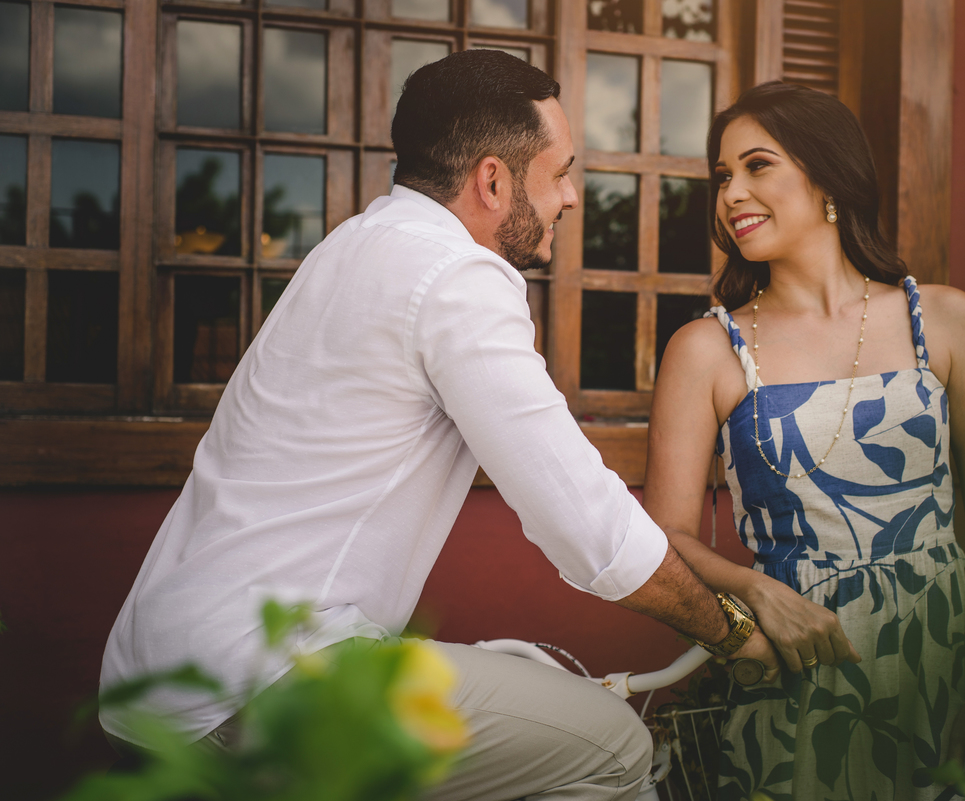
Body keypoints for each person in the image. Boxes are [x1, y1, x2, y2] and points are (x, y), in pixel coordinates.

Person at [99, 50, 777, 801]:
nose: (572, 197)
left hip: (153, 677)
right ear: (493, 181)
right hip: (261, 681)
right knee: (614, 746)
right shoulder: (458, 277)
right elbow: (584, 519)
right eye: (559, 173)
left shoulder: (352, 244)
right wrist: (731, 631)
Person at [643, 81, 965, 800]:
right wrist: (758, 590)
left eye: (758, 166)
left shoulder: (945, 320)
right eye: (722, 176)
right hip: (802, 673)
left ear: (828, 177)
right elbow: (664, 536)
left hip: (946, 665)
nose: (731, 193)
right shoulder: (706, 349)